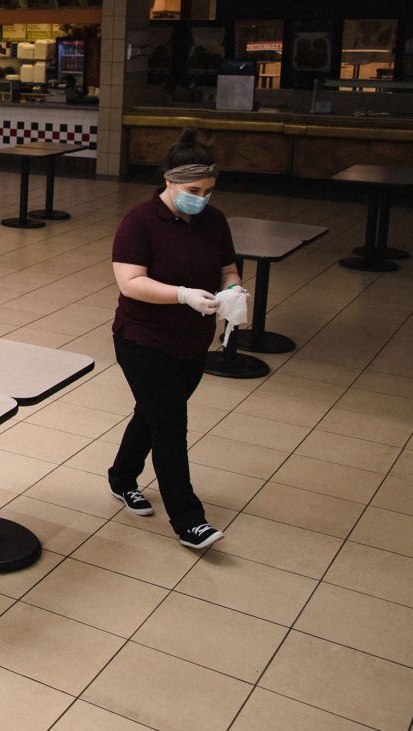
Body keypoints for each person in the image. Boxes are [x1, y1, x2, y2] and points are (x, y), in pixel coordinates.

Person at [107, 128, 242, 551]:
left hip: (192, 341)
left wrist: (233, 291)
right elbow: (130, 283)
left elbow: (228, 268)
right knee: (170, 426)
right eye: (192, 190)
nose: (201, 199)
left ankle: (121, 477)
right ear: (168, 181)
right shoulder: (140, 222)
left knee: (153, 413)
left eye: (208, 191)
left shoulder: (213, 221)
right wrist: (181, 295)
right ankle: (188, 520)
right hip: (143, 340)